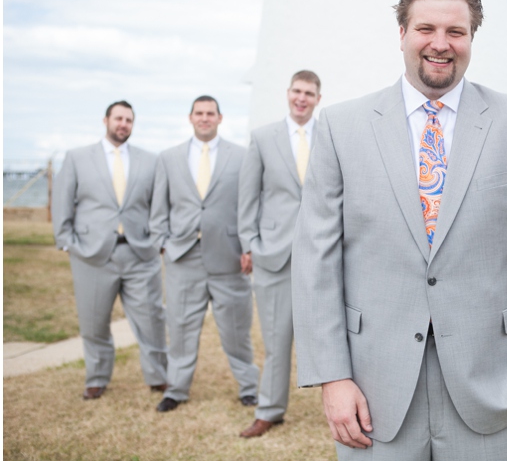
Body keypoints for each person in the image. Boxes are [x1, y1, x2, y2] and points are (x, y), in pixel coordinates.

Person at [292, 0, 507, 461]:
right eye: (426, 28)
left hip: (501, 382)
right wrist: (333, 376)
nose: (441, 44)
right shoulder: (342, 128)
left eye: (457, 31)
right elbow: (316, 261)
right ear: (402, 33)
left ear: (472, 38)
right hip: (373, 388)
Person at [52, 101, 168, 400]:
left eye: (129, 120)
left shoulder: (150, 161)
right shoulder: (77, 158)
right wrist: (66, 240)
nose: (123, 124)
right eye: (118, 118)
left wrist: (157, 241)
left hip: (140, 253)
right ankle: (97, 377)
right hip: (91, 255)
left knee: (152, 318)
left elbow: (158, 206)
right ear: (106, 120)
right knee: (94, 322)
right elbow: (62, 201)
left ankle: (158, 376)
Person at [150, 96, 259, 412]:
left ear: (220, 118)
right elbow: (159, 207)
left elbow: (249, 204)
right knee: (181, 326)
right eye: (199, 113)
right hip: (183, 255)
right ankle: (177, 389)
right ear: (190, 118)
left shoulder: (241, 156)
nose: (205, 118)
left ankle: (249, 387)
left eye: (210, 113)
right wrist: (164, 243)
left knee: (237, 328)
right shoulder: (168, 158)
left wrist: (248, 246)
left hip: (229, 255)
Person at [236, 70, 322, 437]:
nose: (302, 98)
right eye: (297, 91)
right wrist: (248, 244)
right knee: (276, 338)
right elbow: (247, 197)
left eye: (310, 93)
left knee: (337, 335)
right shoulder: (263, 138)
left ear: (319, 98)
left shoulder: (331, 135)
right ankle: (269, 410)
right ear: (288, 94)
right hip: (273, 253)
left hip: (322, 252)